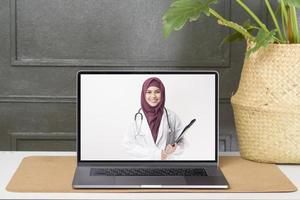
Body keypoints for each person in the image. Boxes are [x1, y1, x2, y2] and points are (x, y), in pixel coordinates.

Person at [123, 77, 186, 160]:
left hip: (167, 165)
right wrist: (155, 154)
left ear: (162, 93)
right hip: (143, 167)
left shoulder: (172, 116)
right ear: (143, 94)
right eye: (149, 92)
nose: (153, 96)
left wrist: (175, 148)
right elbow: (128, 145)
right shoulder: (136, 118)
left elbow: (183, 142)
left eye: (157, 92)